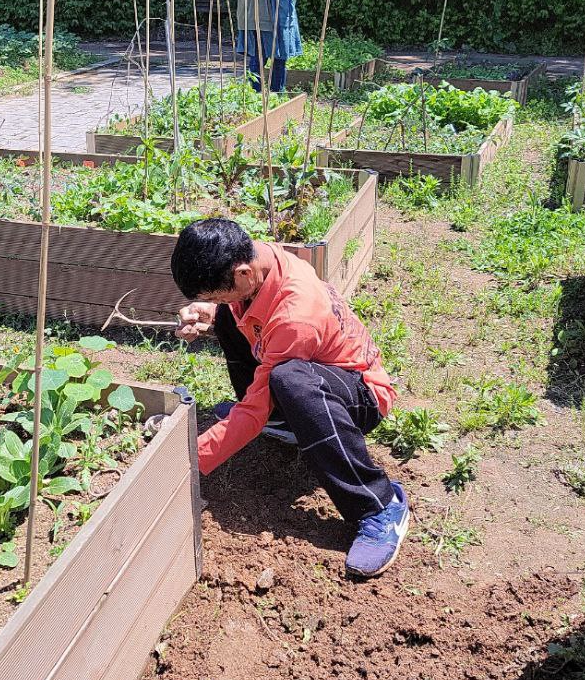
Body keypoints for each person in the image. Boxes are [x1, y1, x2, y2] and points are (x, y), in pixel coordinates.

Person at [169, 217, 410, 578]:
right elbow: (244, 314)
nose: (217, 301)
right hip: (317, 370)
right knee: (230, 321)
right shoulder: (262, 258)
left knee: (288, 379)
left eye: (217, 293)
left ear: (243, 275)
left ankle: (378, 505)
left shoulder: (296, 317)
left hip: (361, 394)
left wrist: (188, 461)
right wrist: (215, 310)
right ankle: (287, 421)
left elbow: (252, 411)